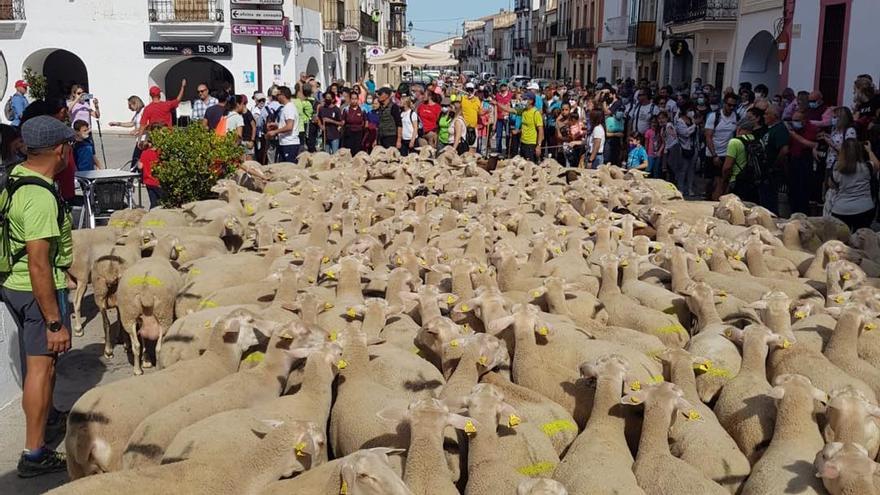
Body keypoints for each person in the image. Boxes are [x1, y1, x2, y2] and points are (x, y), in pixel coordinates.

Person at [3, 116, 75, 478]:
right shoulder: (40, 196)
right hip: (35, 293)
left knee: (42, 366)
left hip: (15, 287)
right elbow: (38, 264)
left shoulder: (15, 177)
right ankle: (35, 453)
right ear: (59, 150)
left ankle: (45, 422)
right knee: (41, 368)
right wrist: (54, 321)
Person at [826, 138, 879, 231]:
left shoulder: (837, 170)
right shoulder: (867, 167)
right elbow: (877, 165)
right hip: (864, 209)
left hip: (841, 210)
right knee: (862, 241)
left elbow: (831, 185)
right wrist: (870, 151)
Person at [717, 117, 761, 202]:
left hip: (737, 180)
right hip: (754, 181)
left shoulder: (734, 142)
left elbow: (727, 167)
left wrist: (724, 181)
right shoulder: (757, 140)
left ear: (739, 128)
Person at [705, 93, 740, 198]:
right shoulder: (714, 116)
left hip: (726, 153)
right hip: (712, 153)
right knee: (710, 182)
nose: (731, 107)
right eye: (729, 105)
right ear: (724, 103)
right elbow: (708, 137)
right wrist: (714, 155)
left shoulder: (736, 117)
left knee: (720, 181)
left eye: (734, 105)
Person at [787, 109, 820, 214]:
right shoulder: (793, 130)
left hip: (805, 160)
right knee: (792, 191)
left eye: (797, 120)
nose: (794, 122)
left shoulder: (812, 129)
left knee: (803, 191)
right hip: (793, 160)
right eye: (793, 120)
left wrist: (795, 136)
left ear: (804, 120)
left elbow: (813, 144)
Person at [759, 104, 790, 212]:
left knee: (770, 200)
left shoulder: (780, 129)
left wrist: (774, 165)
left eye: (767, 114)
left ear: (775, 116)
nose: (764, 116)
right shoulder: (769, 129)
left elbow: (784, 150)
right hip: (765, 170)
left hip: (773, 172)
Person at [265, 86, 301, 163]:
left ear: (283, 95)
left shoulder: (289, 108)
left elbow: (289, 126)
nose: (276, 97)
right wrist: (276, 125)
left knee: (289, 168)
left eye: (278, 95)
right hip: (285, 143)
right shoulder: (287, 107)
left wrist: (275, 132)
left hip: (289, 143)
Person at [108, 96, 146, 166]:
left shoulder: (143, 111)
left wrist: (137, 130)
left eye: (130, 105)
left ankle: (134, 175)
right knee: (136, 160)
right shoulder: (137, 113)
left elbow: (146, 124)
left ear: (135, 103)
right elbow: (132, 123)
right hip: (139, 140)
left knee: (136, 160)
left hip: (144, 140)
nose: (129, 107)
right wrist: (118, 124)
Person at [137, 123, 165, 209]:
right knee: (163, 201)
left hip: (148, 182)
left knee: (153, 203)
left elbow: (140, 166)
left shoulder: (144, 153)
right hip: (157, 182)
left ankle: (151, 218)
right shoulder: (159, 152)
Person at [823, 106, 858, 174]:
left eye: (835, 117)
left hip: (841, 165)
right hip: (830, 164)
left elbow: (849, 150)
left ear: (842, 118)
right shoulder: (835, 130)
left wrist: (831, 144)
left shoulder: (850, 131)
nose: (833, 119)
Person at [518, 92, 543, 162]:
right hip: (523, 142)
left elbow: (540, 130)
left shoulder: (536, 113)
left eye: (525, 99)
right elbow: (510, 110)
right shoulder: (524, 111)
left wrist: (539, 145)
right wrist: (497, 104)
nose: (523, 100)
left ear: (531, 101)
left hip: (531, 144)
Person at [460, 83, 481, 151]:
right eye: (468, 89)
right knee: (464, 148)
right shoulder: (462, 98)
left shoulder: (477, 100)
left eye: (471, 90)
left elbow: (480, 112)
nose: (469, 92)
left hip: (473, 127)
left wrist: (488, 111)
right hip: (463, 127)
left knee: (473, 147)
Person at [494, 82, 513, 153]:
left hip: (507, 118)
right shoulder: (497, 95)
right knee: (498, 135)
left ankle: (508, 149)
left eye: (504, 86)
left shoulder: (510, 95)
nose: (503, 87)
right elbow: (495, 105)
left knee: (507, 135)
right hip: (499, 117)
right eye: (502, 86)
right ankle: (498, 149)